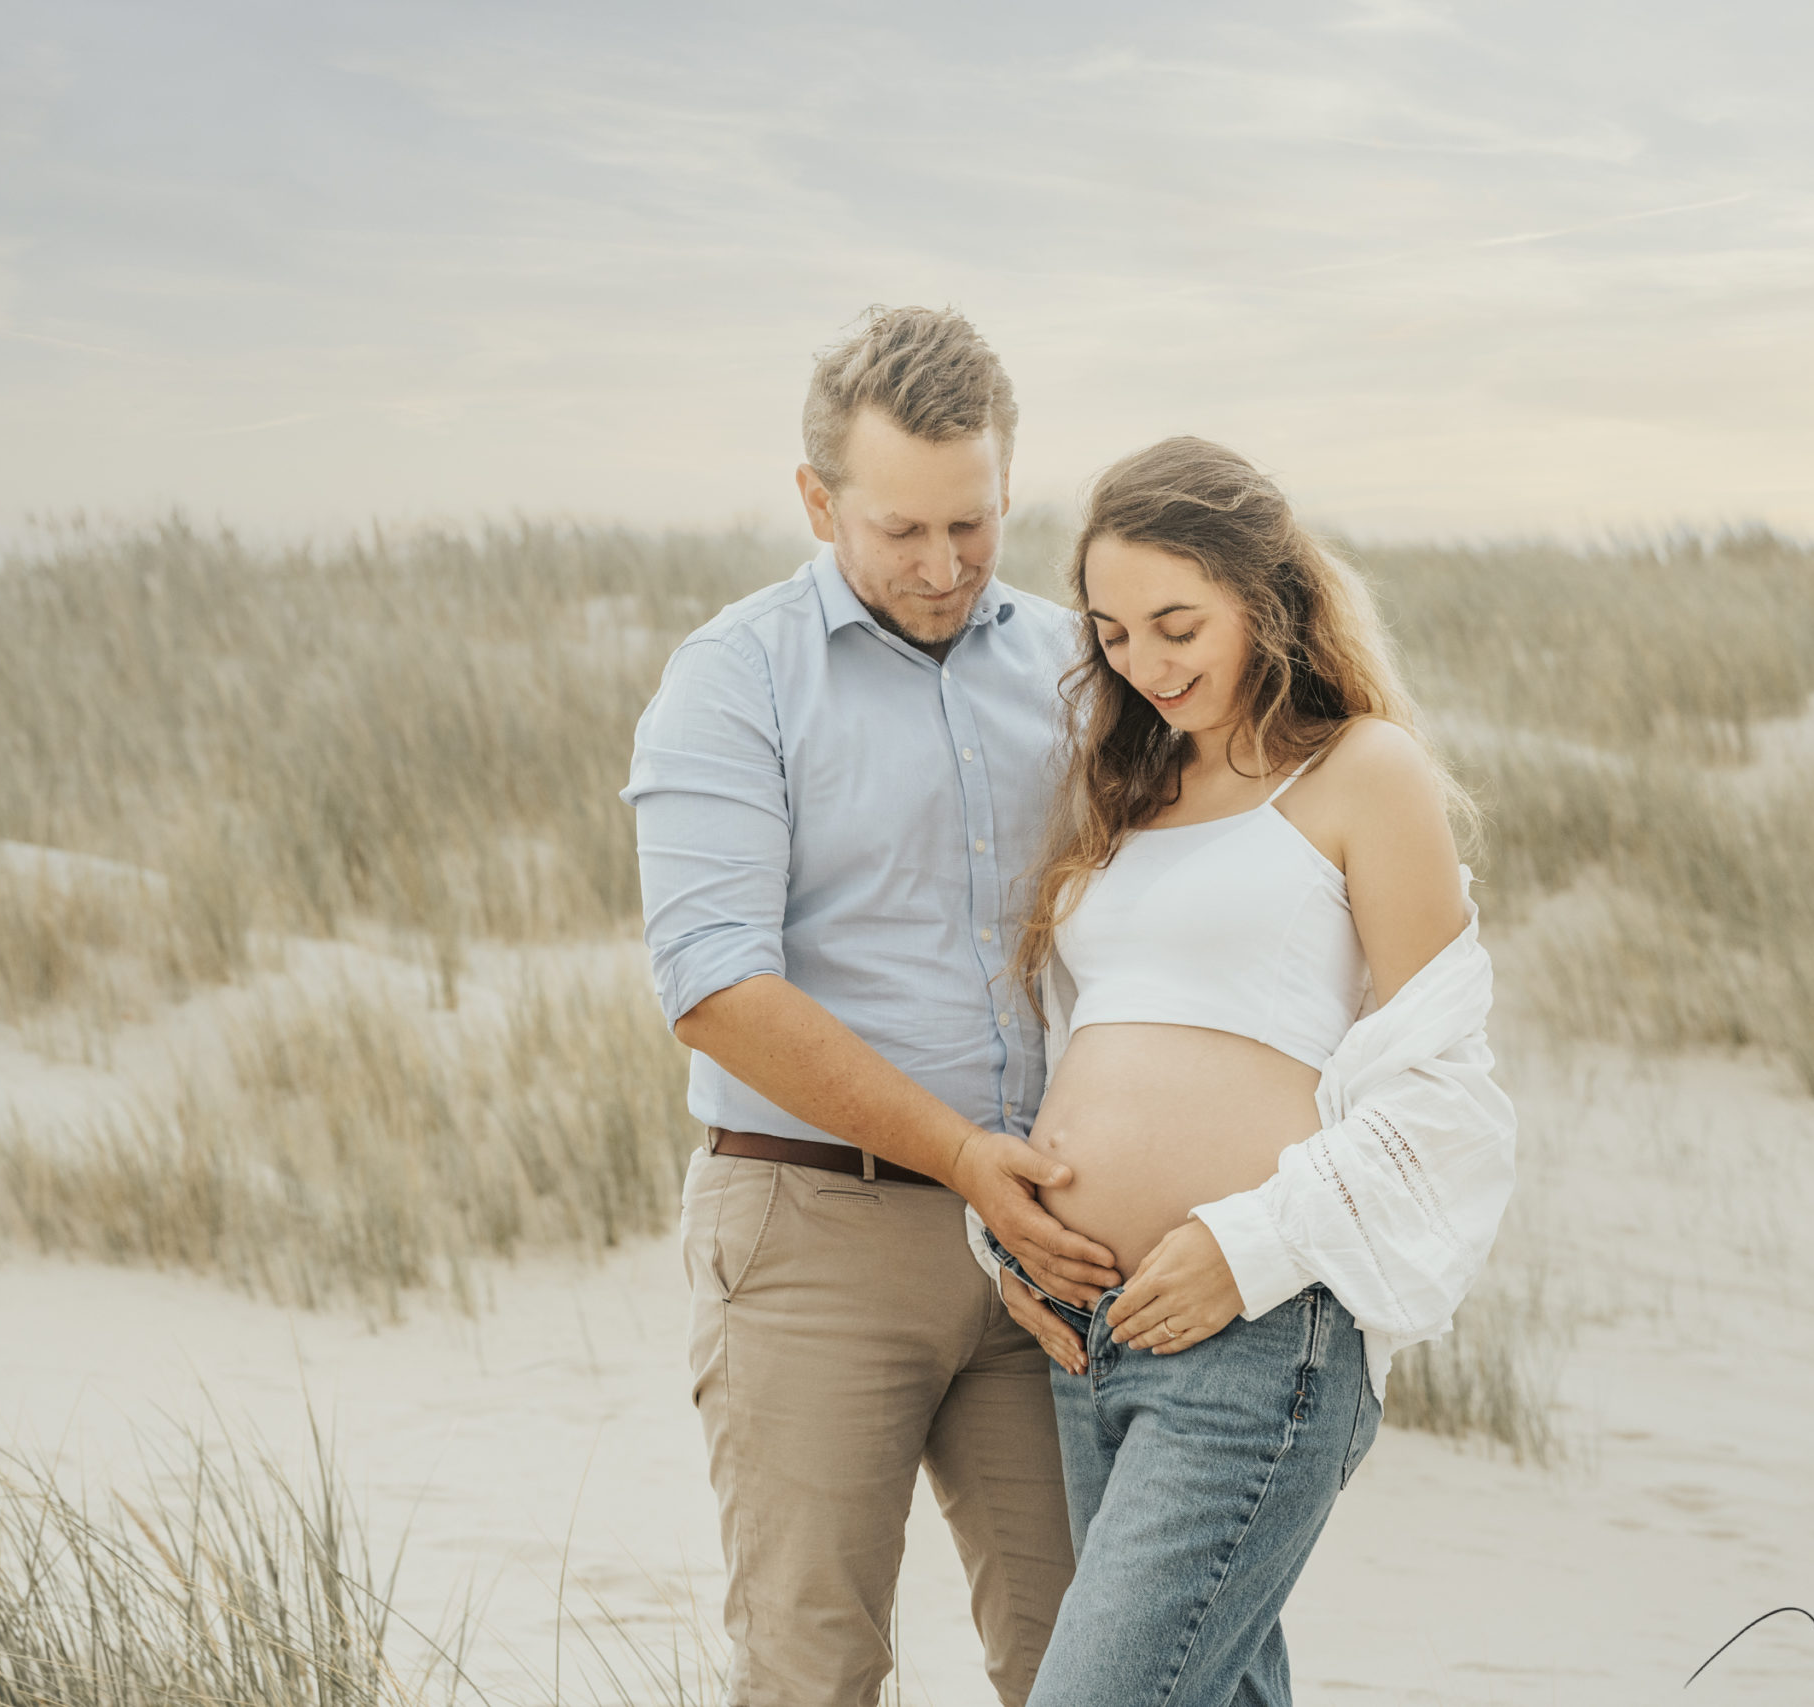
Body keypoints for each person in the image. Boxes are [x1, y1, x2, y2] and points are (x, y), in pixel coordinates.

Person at [620, 305, 1118, 1706]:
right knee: (815, 1672)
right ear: (816, 497)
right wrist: (961, 1155)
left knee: (1090, 1667)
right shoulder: (733, 678)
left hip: (1050, 1245)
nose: (945, 565)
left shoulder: (1082, 666)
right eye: (902, 529)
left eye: (974, 522)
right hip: (812, 1236)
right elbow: (714, 988)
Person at [978, 436, 1519, 1707]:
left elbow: (1445, 1090)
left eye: (1177, 626)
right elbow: (1074, 1049)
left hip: (1253, 1333)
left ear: (1265, 597)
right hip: (1085, 1335)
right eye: (1112, 633)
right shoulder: (1125, 792)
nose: (1145, 664)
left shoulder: (1361, 772)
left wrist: (1253, 1245)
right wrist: (1004, 1231)